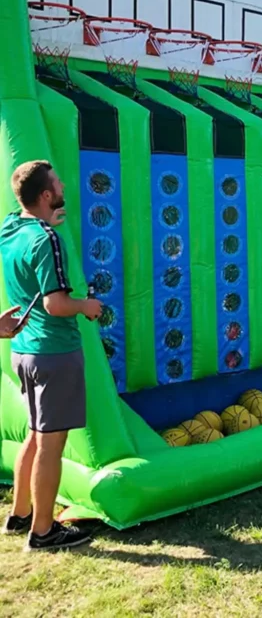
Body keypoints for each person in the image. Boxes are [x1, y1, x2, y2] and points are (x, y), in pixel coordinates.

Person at [0, 160, 101, 551]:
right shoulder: (46, 239)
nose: (62, 186)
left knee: (34, 434)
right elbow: (55, 304)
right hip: (53, 353)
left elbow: (29, 237)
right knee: (50, 444)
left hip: (23, 352)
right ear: (46, 195)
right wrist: (86, 306)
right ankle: (43, 532)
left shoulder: (12, 228)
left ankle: (20, 512)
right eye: (57, 182)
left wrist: (46, 225)